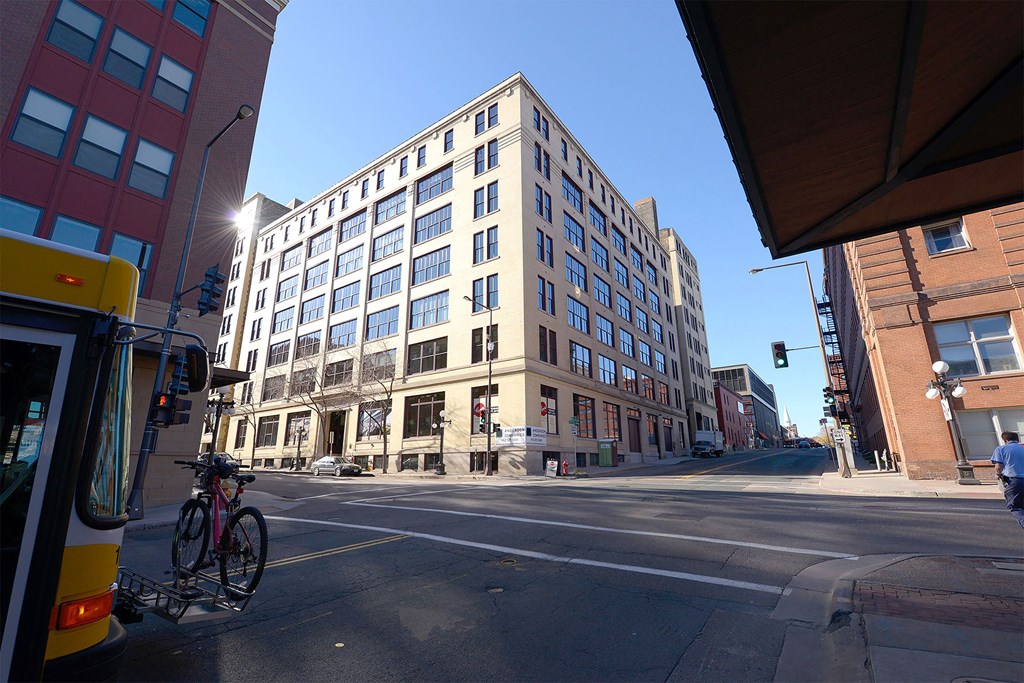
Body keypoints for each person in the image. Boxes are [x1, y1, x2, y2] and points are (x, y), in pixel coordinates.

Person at [991, 431, 1024, 529]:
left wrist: (998, 475)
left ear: (1005, 440)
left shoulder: (1000, 449)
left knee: (1015, 506)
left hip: (1014, 481)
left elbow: (998, 466)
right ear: (1017, 439)